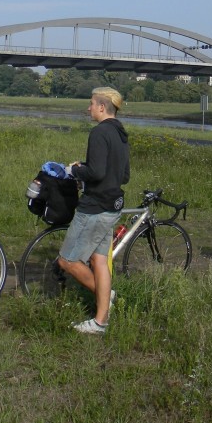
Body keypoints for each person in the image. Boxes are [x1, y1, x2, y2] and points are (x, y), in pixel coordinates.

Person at [56, 87, 130, 335]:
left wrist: (75, 170)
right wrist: (88, 167)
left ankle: (105, 297)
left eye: (91, 104)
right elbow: (124, 176)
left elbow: (96, 172)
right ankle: (100, 322)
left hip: (95, 207)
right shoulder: (120, 133)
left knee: (67, 260)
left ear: (101, 107)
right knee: (99, 261)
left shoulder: (99, 133)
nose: (88, 108)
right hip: (112, 206)